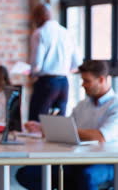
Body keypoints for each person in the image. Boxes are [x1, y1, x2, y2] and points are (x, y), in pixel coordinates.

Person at [16, 60, 118, 190]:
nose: (83, 85)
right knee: (27, 174)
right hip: (79, 157)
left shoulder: (115, 106)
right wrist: (43, 128)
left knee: (85, 176)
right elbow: (67, 127)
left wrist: (68, 130)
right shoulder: (83, 105)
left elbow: (100, 137)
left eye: (87, 81)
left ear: (102, 80)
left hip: (106, 162)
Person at [28, 3, 82, 121]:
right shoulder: (66, 32)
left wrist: (31, 73)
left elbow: (37, 65)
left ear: (37, 17)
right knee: (58, 123)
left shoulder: (40, 33)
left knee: (36, 123)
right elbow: (77, 65)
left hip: (46, 82)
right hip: (64, 83)